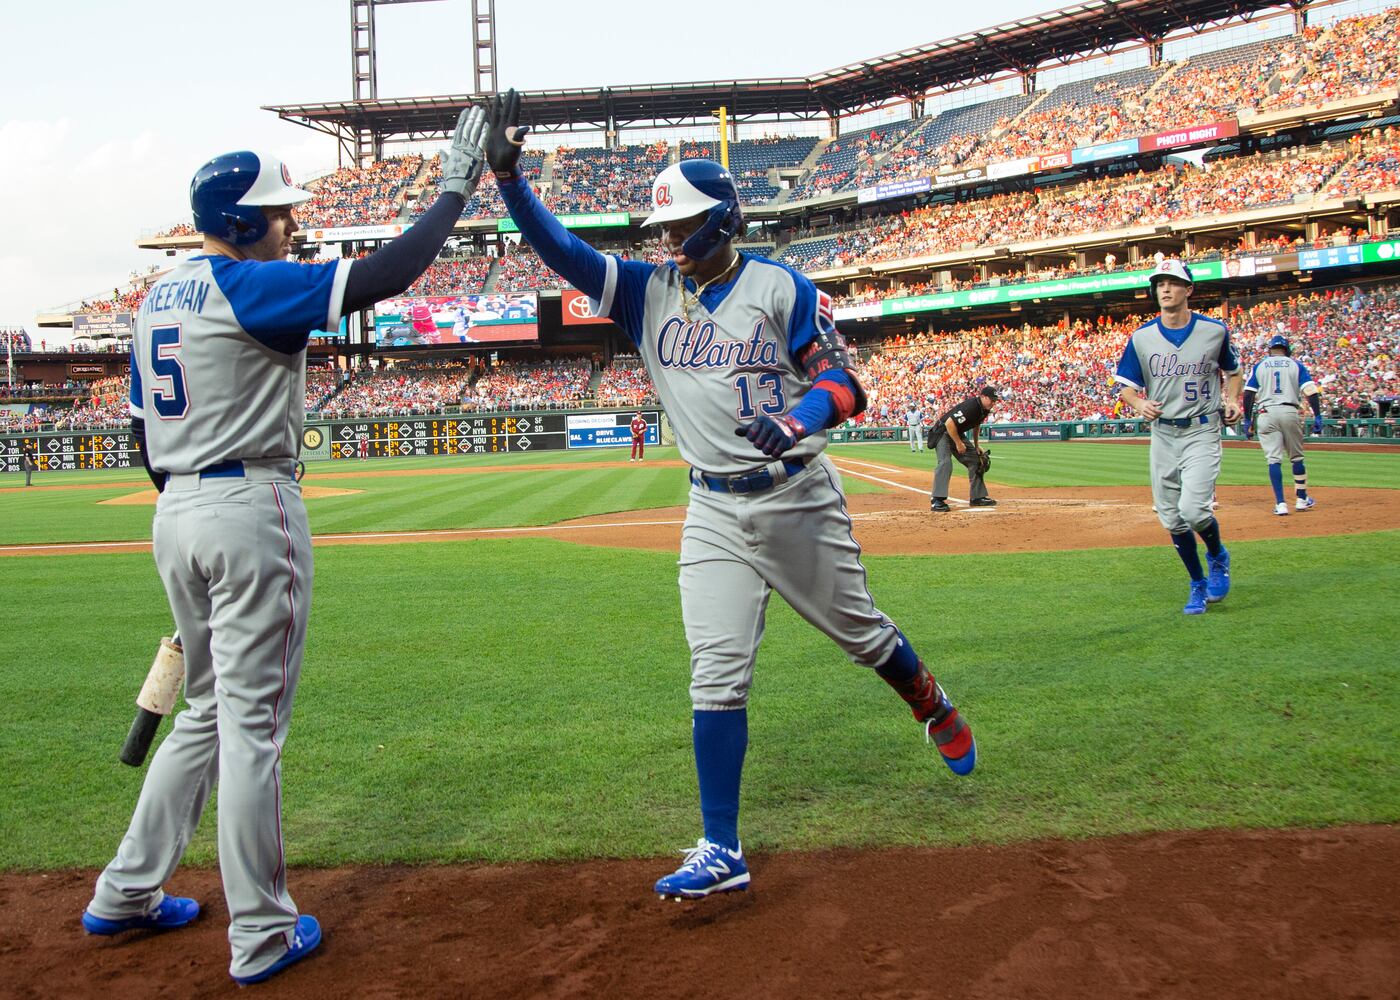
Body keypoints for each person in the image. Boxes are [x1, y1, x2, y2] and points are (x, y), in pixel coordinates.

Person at [485, 89, 975, 900]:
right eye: (663, 229)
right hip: (711, 507)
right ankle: (721, 846)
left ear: (720, 222)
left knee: (862, 635)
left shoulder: (780, 288)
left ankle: (930, 700)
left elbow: (845, 383)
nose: (668, 241)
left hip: (795, 498)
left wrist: (800, 418)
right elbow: (563, 252)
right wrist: (511, 183)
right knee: (714, 673)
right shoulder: (645, 291)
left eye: (681, 227)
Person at [82, 107, 489, 985]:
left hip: (177, 511)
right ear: (239, 223)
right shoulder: (249, 285)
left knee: (206, 712)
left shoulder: (156, 297)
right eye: (278, 213)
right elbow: (385, 275)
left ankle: (126, 890)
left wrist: (197, 543)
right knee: (252, 732)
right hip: (249, 505)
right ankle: (262, 932)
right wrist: (455, 189)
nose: (291, 224)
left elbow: (145, 440)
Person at [1114, 259, 1242, 615]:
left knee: (1194, 510)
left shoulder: (1214, 331)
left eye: (1172, 282)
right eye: (1160, 284)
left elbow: (1233, 372)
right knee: (1171, 518)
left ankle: (1217, 555)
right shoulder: (1142, 337)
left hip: (1202, 428)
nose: (1165, 289)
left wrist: (1233, 400)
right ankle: (1197, 583)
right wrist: (1139, 403)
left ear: (1189, 290)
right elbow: (1125, 387)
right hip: (1163, 433)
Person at [1242, 335, 1322, 515]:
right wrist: (1317, 415)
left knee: (1273, 459)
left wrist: (1247, 419)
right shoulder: (1296, 365)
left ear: (1270, 349)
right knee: (1297, 458)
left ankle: (1280, 504)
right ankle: (1301, 499)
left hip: (1266, 413)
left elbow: (1248, 394)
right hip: (1289, 411)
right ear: (1287, 349)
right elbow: (1310, 391)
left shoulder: (1260, 365)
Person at [928, 386, 999, 511]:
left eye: (995, 401)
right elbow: (949, 423)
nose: (993, 403)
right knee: (945, 463)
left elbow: (976, 425)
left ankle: (977, 497)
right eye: (991, 400)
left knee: (976, 460)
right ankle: (937, 500)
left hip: (956, 432)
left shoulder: (984, 409)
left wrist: (976, 445)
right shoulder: (971, 407)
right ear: (983, 397)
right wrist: (958, 443)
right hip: (942, 432)